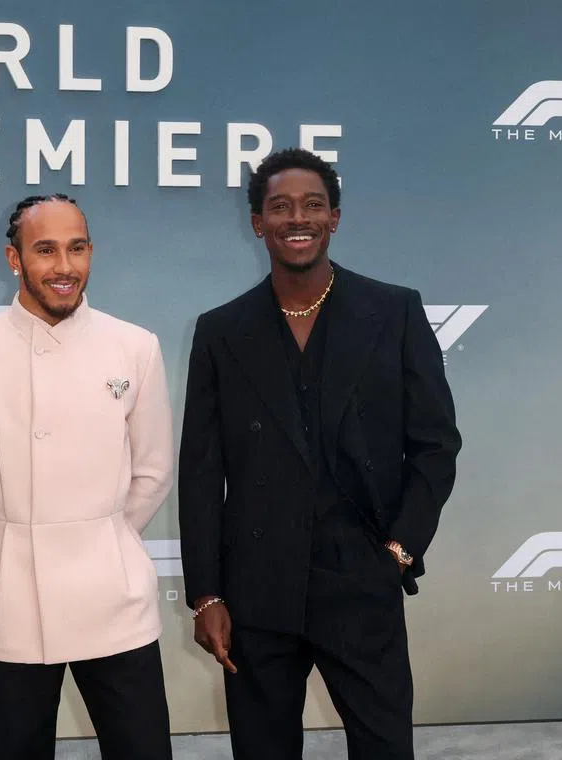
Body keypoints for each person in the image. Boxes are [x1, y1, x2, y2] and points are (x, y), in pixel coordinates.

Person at [178, 148, 461, 759]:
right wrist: (206, 594)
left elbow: (436, 445)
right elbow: (200, 473)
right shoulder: (221, 331)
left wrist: (400, 550)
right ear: (257, 222)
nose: (295, 218)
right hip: (255, 592)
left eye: (312, 205)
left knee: (385, 748)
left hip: (363, 578)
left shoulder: (394, 312)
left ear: (335, 217)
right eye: (279, 207)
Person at [0, 194, 175, 760]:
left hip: (113, 597)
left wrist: (100, 535)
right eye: (45, 250)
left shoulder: (134, 346)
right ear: (14, 259)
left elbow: (152, 470)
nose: (64, 266)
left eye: (76, 248)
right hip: (7, 598)